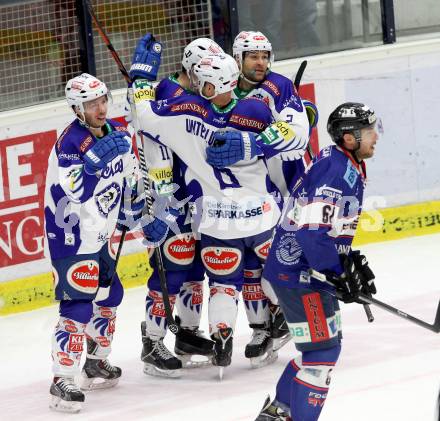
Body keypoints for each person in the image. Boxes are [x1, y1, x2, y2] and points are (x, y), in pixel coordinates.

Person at [129, 45, 307, 375]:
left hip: (212, 218)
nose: (194, 80)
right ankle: (280, 327)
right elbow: (294, 137)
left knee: (221, 283)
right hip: (256, 215)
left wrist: (140, 80)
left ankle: (224, 338)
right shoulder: (255, 109)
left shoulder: (185, 110)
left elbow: (142, 117)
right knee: (261, 272)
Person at [44, 72, 169, 413]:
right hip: (69, 234)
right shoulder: (68, 143)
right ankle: (61, 377)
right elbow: (77, 190)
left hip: (99, 231)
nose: (99, 108)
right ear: (76, 108)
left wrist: (145, 222)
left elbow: (128, 189)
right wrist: (95, 161)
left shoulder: (117, 134)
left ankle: (95, 361)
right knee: (78, 304)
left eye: (102, 101)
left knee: (110, 294)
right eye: (90, 104)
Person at [254, 102, 379, 420]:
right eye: (368, 131)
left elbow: (322, 225)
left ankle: (279, 412)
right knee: (322, 353)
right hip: (300, 275)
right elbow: (312, 232)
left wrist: (347, 260)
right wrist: (336, 272)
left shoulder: (341, 161)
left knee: (318, 349)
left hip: (304, 271)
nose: (375, 137)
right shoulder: (336, 169)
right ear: (349, 138)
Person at [206, 30, 316, 354]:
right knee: (254, 267)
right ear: (237, 59)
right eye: (253, 56)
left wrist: (255, 143)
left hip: (288, 188)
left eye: (265, 55)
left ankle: (297, 319)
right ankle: (264, 328)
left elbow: (298, 134)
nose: (261, 62)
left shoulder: (278, 87)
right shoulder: (224, 90)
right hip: (251, 195)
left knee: (282, 262)